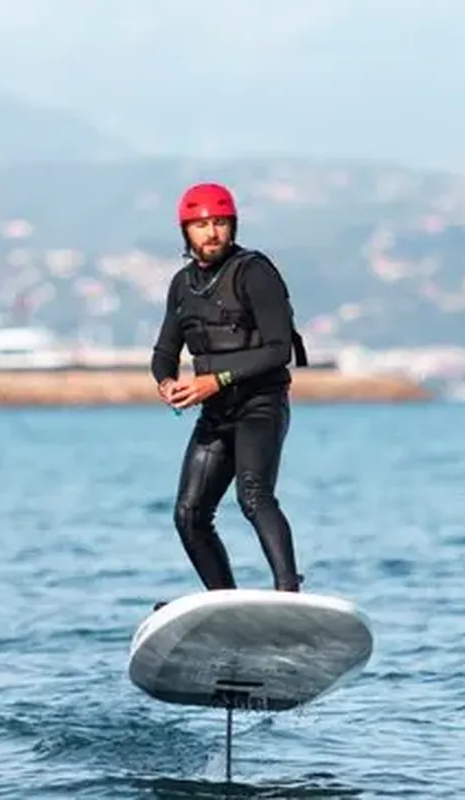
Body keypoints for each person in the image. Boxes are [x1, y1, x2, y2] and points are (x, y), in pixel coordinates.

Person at [150, 182, 309, 605]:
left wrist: (213, 381)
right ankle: (226, 605)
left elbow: (278, 350)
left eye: (219, 223)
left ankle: (289, 595)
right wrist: (166, 383)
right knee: (189, 514)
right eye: (201, 225)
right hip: (216, 415)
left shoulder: (255, 272)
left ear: (232, 226)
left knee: (253, 496)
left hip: (261, 405)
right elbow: (164, 352)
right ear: (186, 232)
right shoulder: (182, 286)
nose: (212, 233)